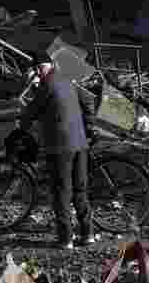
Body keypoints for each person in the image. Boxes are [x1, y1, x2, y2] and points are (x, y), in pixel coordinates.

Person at [16, 51, 97, 249]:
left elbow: (31, 112)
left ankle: (66, 239)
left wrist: (21, 127)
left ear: (43, 67)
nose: (37, 73)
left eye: (37, 69)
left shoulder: (46, 86)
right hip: (80, 144)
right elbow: (88, 101)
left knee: (62, 192)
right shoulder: (68, 80)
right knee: (80, 189)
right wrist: (88, 127)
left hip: (60, 147)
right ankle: (87, 235)